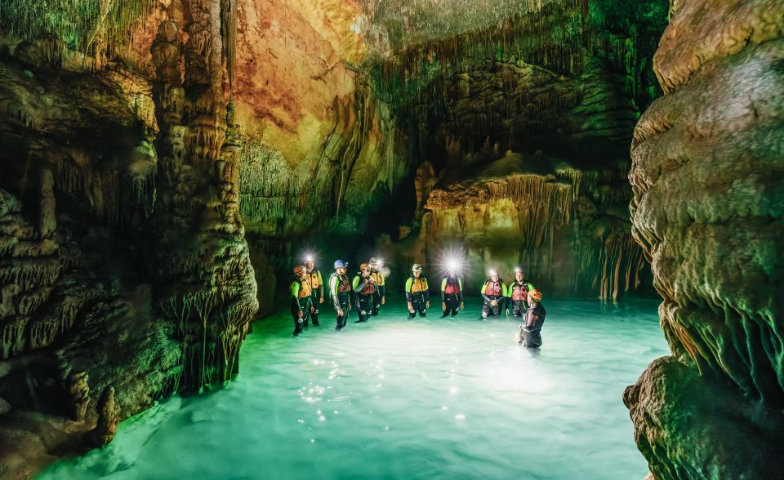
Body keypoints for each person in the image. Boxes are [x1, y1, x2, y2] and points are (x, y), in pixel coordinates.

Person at [289, 266, 313, 336]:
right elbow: (294, 297)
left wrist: (311, 305)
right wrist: (299, 310)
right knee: (299, 326)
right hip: (298, 307)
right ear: (298, 274)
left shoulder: (305, 281)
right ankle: (295, 338)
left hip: (305, 305)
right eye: (304, 272)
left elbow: (308, 295)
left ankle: (299, 340)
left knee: (301, 326)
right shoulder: (296, 283)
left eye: (305, 272)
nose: (305, 273)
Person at [329, 260, 352, 331]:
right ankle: (337, 333)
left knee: (344, 321)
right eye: (344, 267)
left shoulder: (345, 277)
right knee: (340, 322)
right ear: (338, 268)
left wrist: (349, 302)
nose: (346, 269)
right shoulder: (335, 278)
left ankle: (340, 334)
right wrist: (338, 308)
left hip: (345, 301)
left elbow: (347, 292)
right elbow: (334, 294)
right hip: (339, 302)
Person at [305, 258, 324, 327]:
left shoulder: (316, 272)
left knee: (315, 314)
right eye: (309, 263)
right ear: (305, 263)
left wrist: (322, 296)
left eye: (312, 263)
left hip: (314, 295)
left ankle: (316, 326)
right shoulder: (302, 272)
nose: (311, 265)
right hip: (305, 295)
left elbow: (321, 285)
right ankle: (305, 327)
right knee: (305, 315)